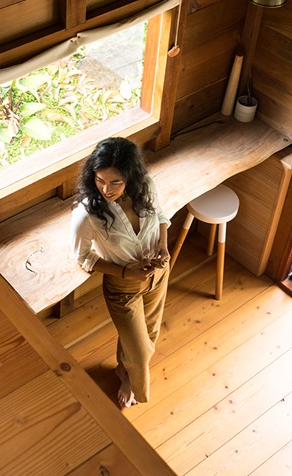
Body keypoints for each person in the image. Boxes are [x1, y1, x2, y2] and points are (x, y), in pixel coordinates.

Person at [70, 137, 171, 408]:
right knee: (140, 351)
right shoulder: (87, 213)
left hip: (158, 273)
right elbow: (83, 257)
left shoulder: (145, 186)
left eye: (115, 182)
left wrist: (163, 245)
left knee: (150, 333)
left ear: (131, 177)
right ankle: (135, 384)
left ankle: (123, 371)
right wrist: (127, 272)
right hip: (123, 287)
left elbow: (161, 215)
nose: (106, 189)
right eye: (100, 180)